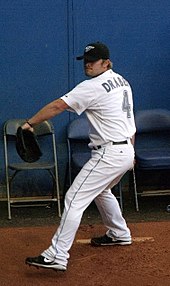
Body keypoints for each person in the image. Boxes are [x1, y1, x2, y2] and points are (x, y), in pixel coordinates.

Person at [24, 42, 136, 272]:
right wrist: (130, 152)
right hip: (124, 150)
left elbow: (57, 106)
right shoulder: (123, 82)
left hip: (109, 153)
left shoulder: (93, 86)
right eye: (85, 60)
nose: (88, 64)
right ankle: (119, 233)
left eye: (93, 60)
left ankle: (56, 255)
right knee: (102, 191)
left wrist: (29, 123)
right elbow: (128, 121)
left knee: (74, 199)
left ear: (106, 62)